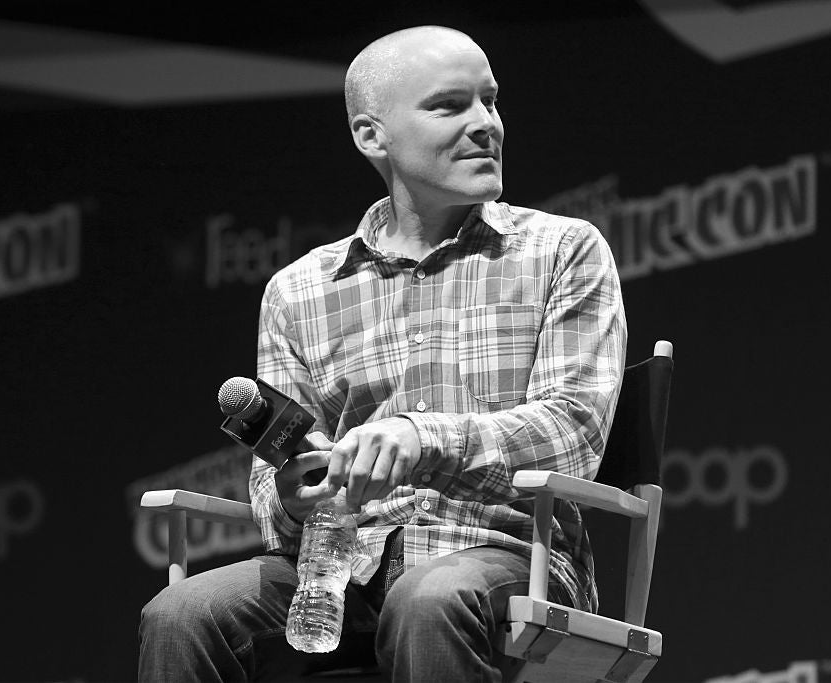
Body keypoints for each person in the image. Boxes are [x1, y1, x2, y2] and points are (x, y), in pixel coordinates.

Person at [139, 24, 627, 682]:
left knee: (427, 600)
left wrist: (424, 439)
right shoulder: (299, 291)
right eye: (451, 106)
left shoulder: (563, 250)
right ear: (373, 136)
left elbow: (575, 432)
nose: (487, 124)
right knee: (180, 613)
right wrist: (293, 495)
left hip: (506, 557)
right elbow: (273, 488)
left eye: (491, 101)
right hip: (342, 567)